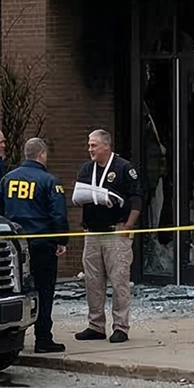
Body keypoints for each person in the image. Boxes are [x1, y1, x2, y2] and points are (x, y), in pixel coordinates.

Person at [0, 137, 68, 353]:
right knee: (44, 291)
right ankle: (43, 338)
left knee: (16, 290)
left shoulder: (8, 179)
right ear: (42, 154)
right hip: (42, 244)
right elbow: (58, 215)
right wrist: (62, 240)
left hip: (16, 246)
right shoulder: (49, 180)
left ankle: (12, 337)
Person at [72, 128, 142, 343]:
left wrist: (129, 225)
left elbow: (137, 198)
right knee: (93, 282)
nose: (90, 149)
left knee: (119, 281)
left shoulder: (123, 168)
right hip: (92, 234)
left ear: (106, 146)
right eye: (89, 145)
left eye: (93, 145)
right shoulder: (86, 169)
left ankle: (121, 326)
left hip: (115, 232)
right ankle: (96, 325)